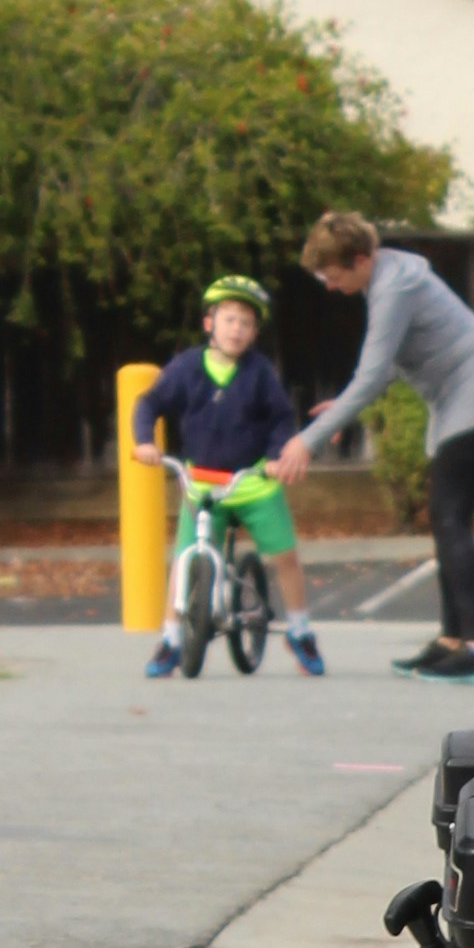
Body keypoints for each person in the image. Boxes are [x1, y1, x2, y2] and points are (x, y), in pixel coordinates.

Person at [282, 212, 474, 682]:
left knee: (449, 514)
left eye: (335, 276)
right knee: (445, 516)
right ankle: (452, 640)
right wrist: (343, 408)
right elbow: (394, 364)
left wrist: (307, 441)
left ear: (361, 259)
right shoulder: (388, 278)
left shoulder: (393, 289)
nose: (331, 287)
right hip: (468, 388)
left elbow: (374, 371)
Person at [129, 276, 326, 678]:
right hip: (201, 482)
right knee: (186, 560)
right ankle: (170, 638)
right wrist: (145, 441)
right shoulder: (186, 367)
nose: (237, 329)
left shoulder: (259, 373)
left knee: (284, 555)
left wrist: (275, 457)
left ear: (254, 333)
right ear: (209, 324)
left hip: (251, 481)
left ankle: (300, 630)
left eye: (246, 323)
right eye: (229, 319)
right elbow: (149, 403)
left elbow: (279, 419)